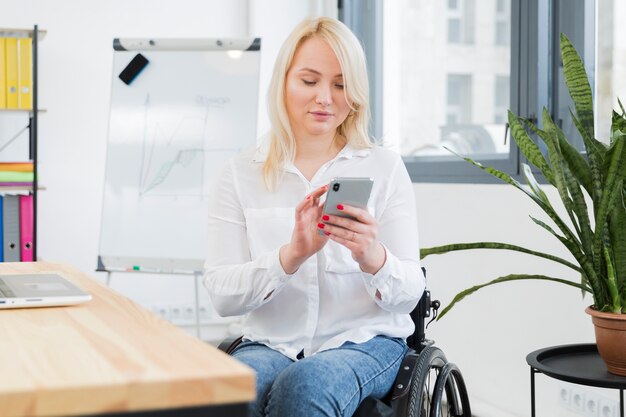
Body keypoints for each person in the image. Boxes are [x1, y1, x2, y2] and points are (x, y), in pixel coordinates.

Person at [204, 16, 425, 417]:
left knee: (305, 385)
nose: (325, 98)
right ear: (284, 82)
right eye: (309, 81)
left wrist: (372, 255)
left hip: (366, 341)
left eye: (341, 85)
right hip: (270, 342)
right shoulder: (239, 174)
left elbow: (409, 292)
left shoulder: (384, 167)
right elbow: (222, 294)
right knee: (230, 393)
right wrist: (290, 256)